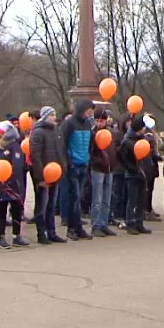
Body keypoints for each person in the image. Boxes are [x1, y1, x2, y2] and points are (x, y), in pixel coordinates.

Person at [0, 120, 30, 249]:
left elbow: (17, 165)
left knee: (16, 210)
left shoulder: (14, 146)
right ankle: (0, 236)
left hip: (13, 184)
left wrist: (12, 179)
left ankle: (16, 235)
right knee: (1, 211)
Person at [29, 106, 66, 245]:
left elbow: (61, 151)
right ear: (44, 116)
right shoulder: (38, 132)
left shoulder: (56, 131)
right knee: (42, 206)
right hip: (44, 175)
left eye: (54, 114)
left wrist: (63, 167)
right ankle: (41, 233)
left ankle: (52, 232)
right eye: (50, 115)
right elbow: (35, 156)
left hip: (55, 173)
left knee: (51, 205)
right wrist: (40, 177)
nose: (53, 117)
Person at [61, 99, 95, 240]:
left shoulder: (87, 124)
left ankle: (78, 227)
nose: (90, 113)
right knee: (73, 197)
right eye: (89, 110)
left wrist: (88, 157)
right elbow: (63, 144)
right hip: (73, 164)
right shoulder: (69, 123)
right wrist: (68, 162)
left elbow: (90, 143)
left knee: (79, 197)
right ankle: (71, 228)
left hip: (83, 163)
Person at [88, 109, 117, 238]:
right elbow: (90, 152)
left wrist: (113, 162)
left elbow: (114, 150)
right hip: (97, 169)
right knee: (97, 200)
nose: (99, 123)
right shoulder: (92, 134)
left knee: (107, 199)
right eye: (97, 121)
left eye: (102, 121)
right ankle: (95, 225)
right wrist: (98, 162)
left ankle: (104, 224)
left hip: (109, 169)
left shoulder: (110, 133)